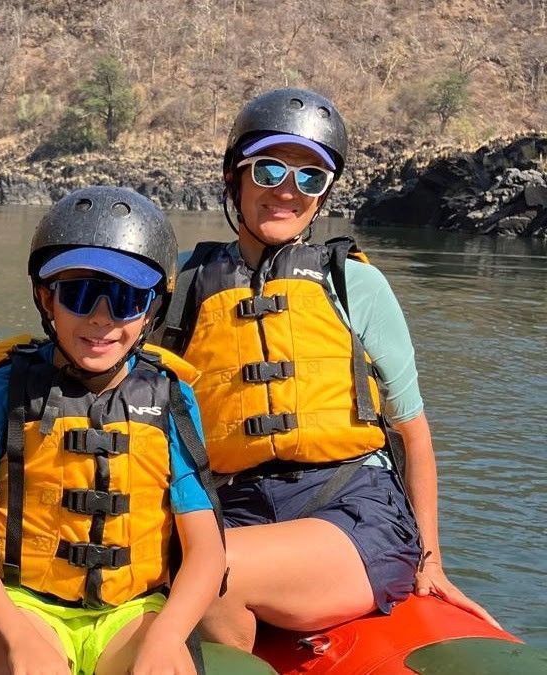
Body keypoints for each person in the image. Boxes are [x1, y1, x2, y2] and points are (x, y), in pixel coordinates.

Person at [159, 87, 500, 651]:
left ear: (323, 196)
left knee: (209, 570)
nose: (287, 192)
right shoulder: (183, 289)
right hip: (230, 506)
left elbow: (412, 433)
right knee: (184, 560)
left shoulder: (354, 284)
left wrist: (432, 561)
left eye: (310, 178)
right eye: (269, 171)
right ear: (234, 178)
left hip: (352, 506)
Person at [0, 186, 225, 675]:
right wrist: (13, 635)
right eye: (78, 295)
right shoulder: (4, 394)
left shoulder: (171, 399)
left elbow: (205, 551)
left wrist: (166, 638)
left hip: (133, 610)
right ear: (45, 298)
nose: (101, 319)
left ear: (153, 308)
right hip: (26, 606)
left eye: (126, 299)